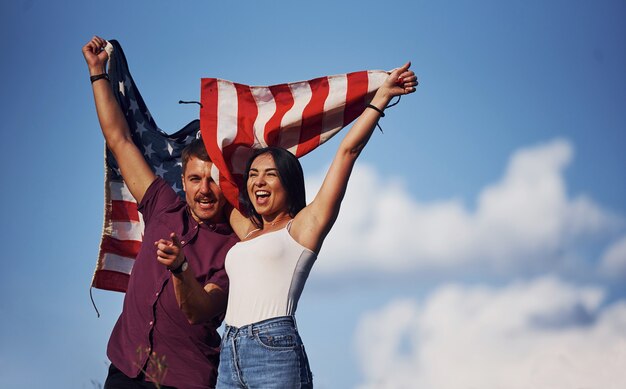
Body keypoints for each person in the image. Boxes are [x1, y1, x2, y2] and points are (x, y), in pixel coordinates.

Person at [168, 62, 417, 387]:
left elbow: (347, 152)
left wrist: (380, 98)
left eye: (270, 174)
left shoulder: (304, 227)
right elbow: (213, 180)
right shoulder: (249, 232)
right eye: (253, 175)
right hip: (228, 353)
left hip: (273, 349)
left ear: (289, 183)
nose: (259, 182)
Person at [83, 36, 238, 389]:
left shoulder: (235, 248)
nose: (204, 189)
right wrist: (97, 74)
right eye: (195, 179)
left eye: (213, 180)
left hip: (183, 380)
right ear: (183, 180)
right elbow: (120, 139)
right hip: (125, 367)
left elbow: (201, 309)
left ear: (227, 183)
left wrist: (180, 268)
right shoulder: (163, 204)